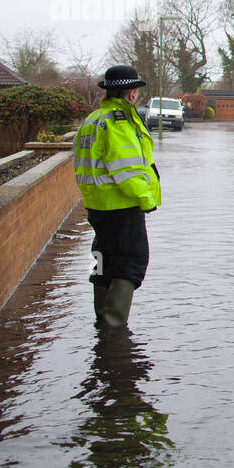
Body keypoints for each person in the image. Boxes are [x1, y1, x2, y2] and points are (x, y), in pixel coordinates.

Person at [74, 65, 161, 329]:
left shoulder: (93, 119)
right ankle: (112, 328)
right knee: (130, 262)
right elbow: (127, 169)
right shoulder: (118, 122)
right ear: (131, 92)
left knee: (103, 259)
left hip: (98, 205)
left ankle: (102, 319)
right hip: (121, 205)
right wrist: (146, 199)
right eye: (134, 89)